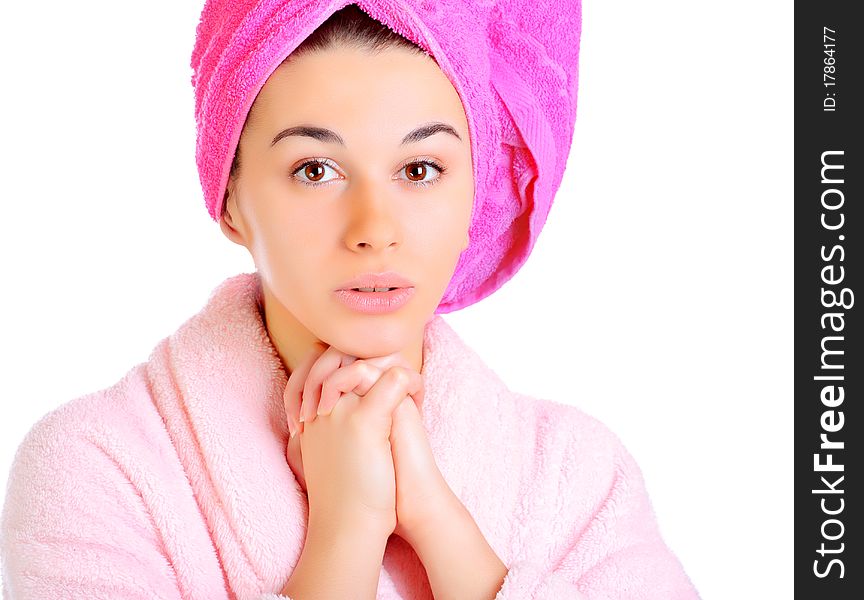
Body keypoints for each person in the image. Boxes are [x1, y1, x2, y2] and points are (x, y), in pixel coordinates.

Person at [1, 2, 700, 598]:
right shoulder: (101, 468)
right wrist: (345, 533)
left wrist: (439, 523)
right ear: (230, 199)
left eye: (420, 169)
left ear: (475, 196)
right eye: (315, 169)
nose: (375, 230)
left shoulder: (576, 476)